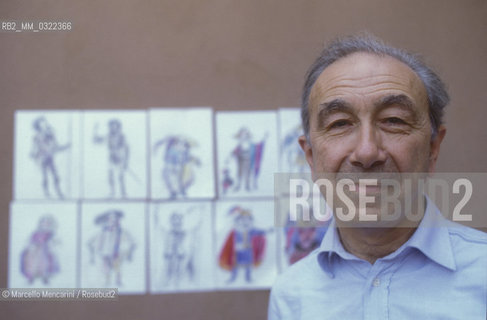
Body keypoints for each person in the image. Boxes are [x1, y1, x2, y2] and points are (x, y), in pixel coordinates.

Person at [268, 34, 487, 319]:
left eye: (394, 120)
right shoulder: (291, 296)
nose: (367, 151)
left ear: (433, 148)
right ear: (311, 157)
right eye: (340, 123)